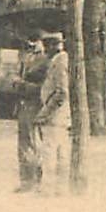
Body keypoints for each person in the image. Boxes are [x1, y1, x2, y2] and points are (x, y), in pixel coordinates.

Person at [35, 31, 71, 194]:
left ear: (51, 46)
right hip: (58, 115)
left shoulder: (60, 61)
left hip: (55, 116)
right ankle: (59, 188)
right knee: (59, 152)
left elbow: (61, 92)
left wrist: (44, 113)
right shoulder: (59, 60)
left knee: (51, 152)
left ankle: (49, 188)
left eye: (46, 46)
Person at [13, 31, 50, 192]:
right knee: (24, 144)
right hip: (23, 104)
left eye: (35, 41)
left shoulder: (46, 60)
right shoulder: (25, 57)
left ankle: (36, 181)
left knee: (35, 143)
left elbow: (45, 87)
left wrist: (22, 85)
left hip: (35, 104)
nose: (31, 44)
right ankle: (26, 181)